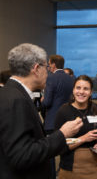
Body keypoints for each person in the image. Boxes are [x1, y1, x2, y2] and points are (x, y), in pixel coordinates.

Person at [0, 43, 83, 179]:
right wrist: (62, 134)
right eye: (46, 67)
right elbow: (22, 156)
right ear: (36, 68)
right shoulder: (16, 100)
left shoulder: (10, 94)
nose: (48, 72)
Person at [55, 75, 97, 179]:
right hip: (71, 167)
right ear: (73, 90)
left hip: (96, 166)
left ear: (91, 92)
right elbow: (59, 143)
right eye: (78, 88)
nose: (81, 92)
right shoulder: (64, 111)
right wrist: (84, 138)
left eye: (86, 89)